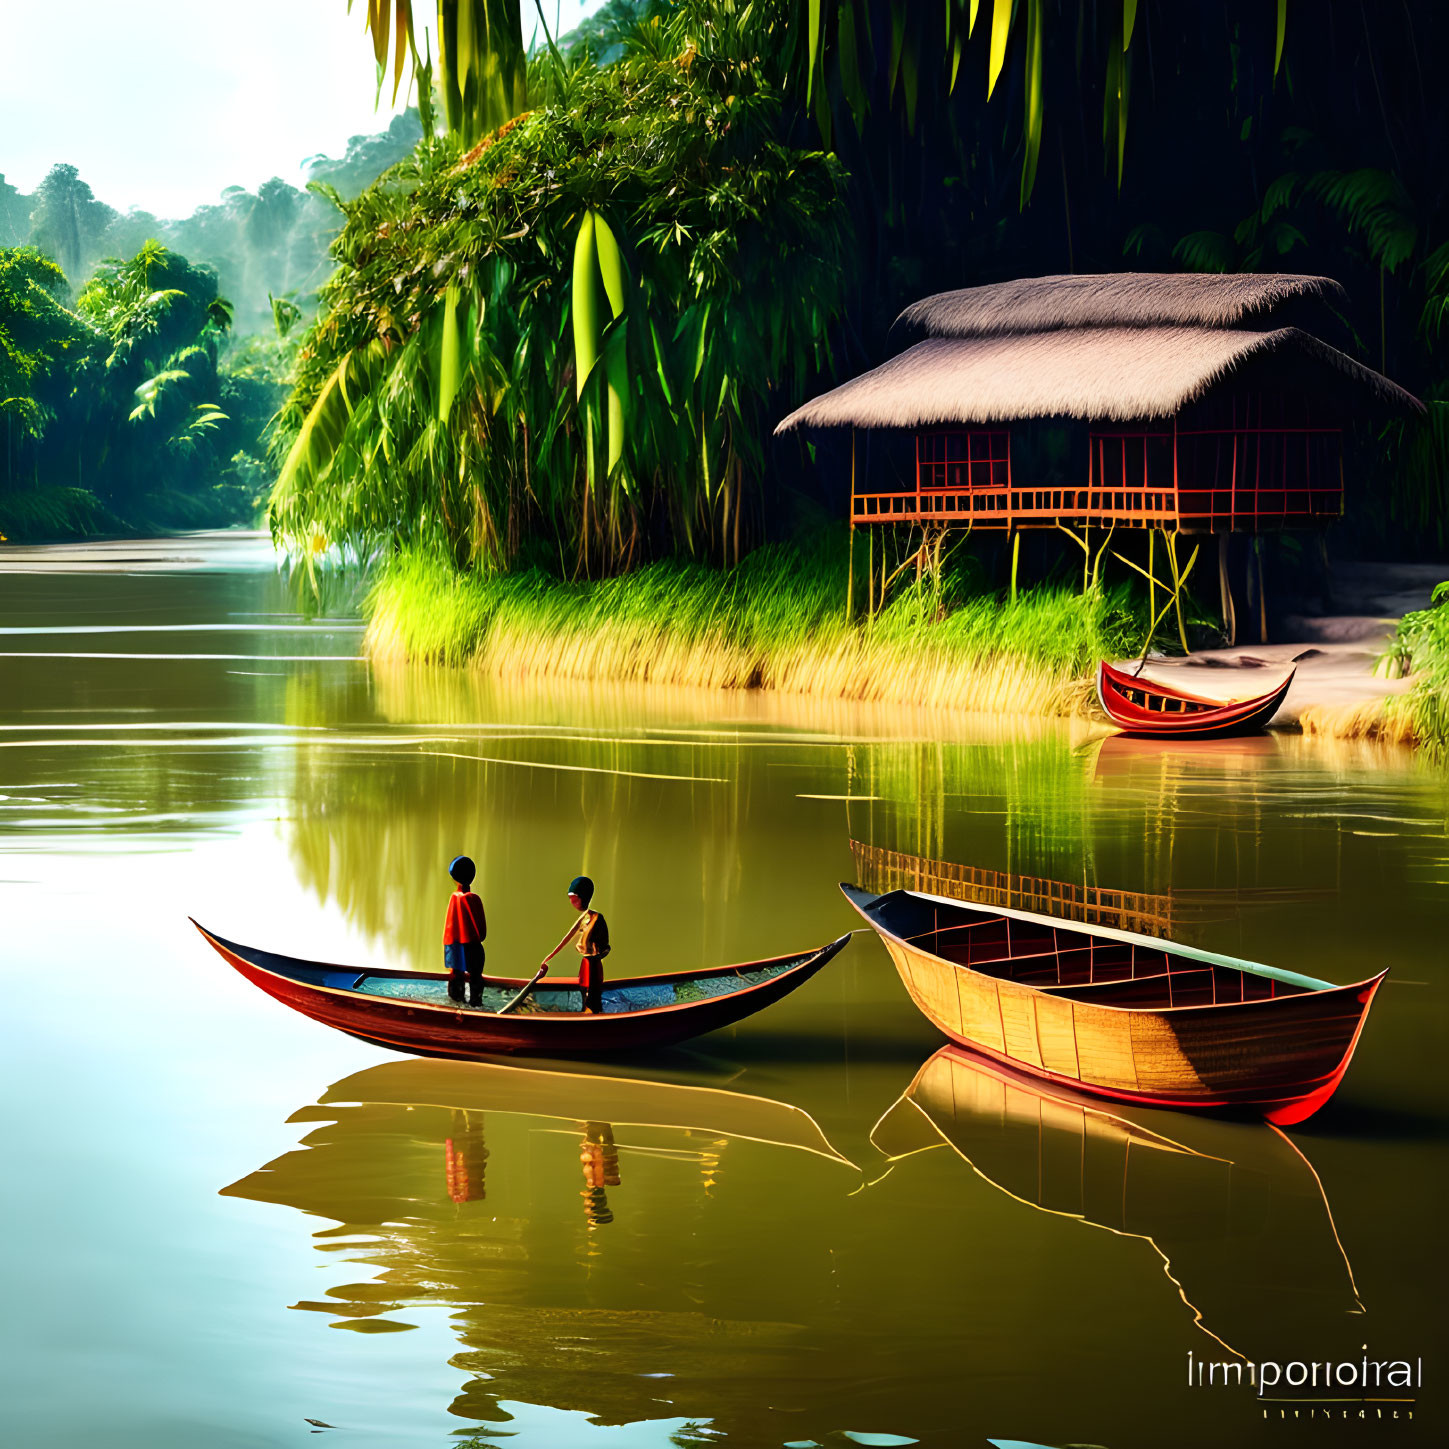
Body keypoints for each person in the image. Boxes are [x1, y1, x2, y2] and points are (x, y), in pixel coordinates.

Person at [538, 875, 610, 1013]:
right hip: (586, 963)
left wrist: (597, 957)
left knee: (592, 995)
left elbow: (606, 947)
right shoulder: (584, 917)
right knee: (583, 990)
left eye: (575, 899)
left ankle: (592, 1017)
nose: (572, 902)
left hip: (593, 965)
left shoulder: (598, 919)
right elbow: (566, 939)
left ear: (584, 897)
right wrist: (549, 958)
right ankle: (585, 1012)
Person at [443, 855, 487, 1006]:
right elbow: (482, 934)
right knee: (476, 980)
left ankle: (455, 1010)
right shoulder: (474, 899)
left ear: (454, 878)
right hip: (472, 949)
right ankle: (476, 1007)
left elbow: (449, 930)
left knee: (456, 981)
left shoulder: (453, 898)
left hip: (454, 948)